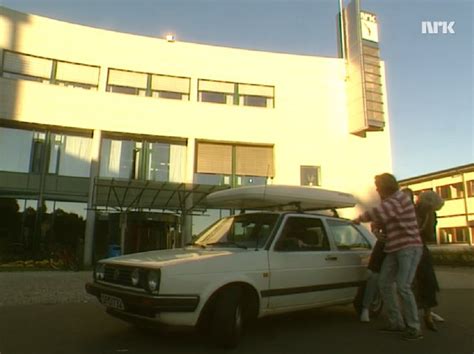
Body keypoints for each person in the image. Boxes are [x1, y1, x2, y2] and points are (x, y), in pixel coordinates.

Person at [353, 173, 424, 340]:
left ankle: (414, 328)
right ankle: (396, 323)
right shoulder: (390, 202)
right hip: (393, 248)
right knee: (384, 282)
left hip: (409, 247)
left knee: (403, 286)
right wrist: (376, 227)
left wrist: (358, 219)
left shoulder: (398, 199)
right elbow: (383, 218)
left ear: (385, 187)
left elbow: (379, 212)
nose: (376, 189)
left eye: (378, 186)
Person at [414, 190, 444, 331]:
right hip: (411, 248)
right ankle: (419, 313)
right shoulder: (413, 212)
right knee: (413, 282)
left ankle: (427, 313)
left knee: (427, 281)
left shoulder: (430, 214)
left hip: (420, 248)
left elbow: (430, 235)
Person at [359, 222, 386, 322]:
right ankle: (366, 308)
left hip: (400, 247)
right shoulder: (388, 211)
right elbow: (375, 221)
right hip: (383, 246)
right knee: (373, 277)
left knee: (403, 282)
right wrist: (376, 232)